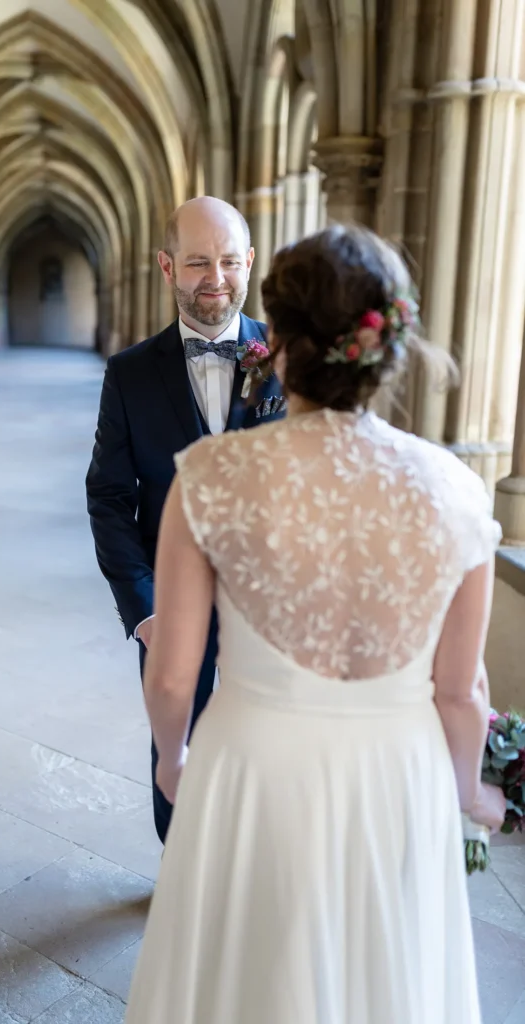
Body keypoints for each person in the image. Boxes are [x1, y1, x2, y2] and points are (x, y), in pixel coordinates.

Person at [125, 224, 506, 1024]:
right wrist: (468, 793)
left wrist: (171, 760)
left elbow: (171, 673)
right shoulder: (454, 488)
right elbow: (461, 690)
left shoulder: (212, 476)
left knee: (244, 979)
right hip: (394, 775)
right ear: (385, 345)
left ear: (279, 342)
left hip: (250, 767)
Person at [86, 196, 285, 843]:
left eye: (229, 261)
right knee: (174, 749)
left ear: (248, 262)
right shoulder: (129, 375)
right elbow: (110, 498)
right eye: (198, 261)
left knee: (269, 750)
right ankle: (181, 886)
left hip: (272, 611)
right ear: (166, 266)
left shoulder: (290, 364)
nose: (215, 278)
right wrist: (142, 610)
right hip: (170, 607)